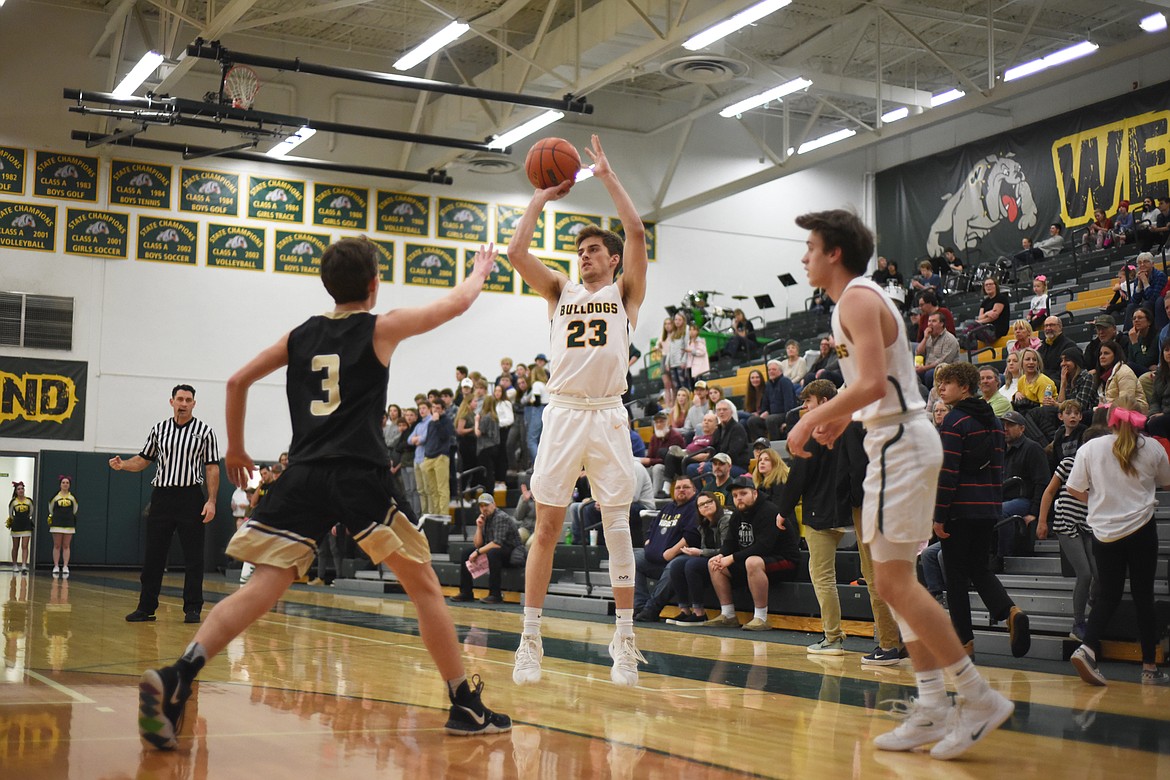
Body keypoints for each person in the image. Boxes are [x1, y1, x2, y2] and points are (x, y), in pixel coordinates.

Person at [136, 237, 510, 751]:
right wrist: (479, 269)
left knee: (263, 585)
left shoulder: (300, 335)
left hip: (305, 473)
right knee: (423, 584)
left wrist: (238, 450)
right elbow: (457, 303)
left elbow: (236, 380)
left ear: (326, 285)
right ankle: (464, 703)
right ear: (374, 285)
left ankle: (181, 672)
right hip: (359, 474)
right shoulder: (379, 327)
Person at [786, 209, 1013, 760]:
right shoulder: (858, 301)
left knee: (894, 583)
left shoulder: (857, 300)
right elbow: (877, 382)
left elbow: (867, 383)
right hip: (889, 438)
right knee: (893, 580)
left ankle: (976, 697)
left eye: (811, 248)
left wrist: (811, 418)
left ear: (834, 252)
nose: (804, 257)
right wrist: (842, 418)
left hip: (902, 443)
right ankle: (934, 704)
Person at [506, 135, 649, 687]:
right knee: (547, 524)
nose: (585, 255)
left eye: (594, 249)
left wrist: (607, 176)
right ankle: (530, 639)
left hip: (609, 412)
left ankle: (625, 636)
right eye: (581, 249)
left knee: (617, 523)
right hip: (563, 412)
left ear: (612, 260)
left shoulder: (626, 294)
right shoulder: (560, 290)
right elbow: (518, 254)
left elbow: (635, 231)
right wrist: (541, 196)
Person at [1066, 402, 1170, 686]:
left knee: (1108, 596)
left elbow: (1073, 488)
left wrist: (1101, 500)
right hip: (1141, 529)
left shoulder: (1089, 448)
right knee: (1143, 597)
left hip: (1104, 533)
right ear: (1139, 421)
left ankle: (1086, 648)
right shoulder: (1152, 447)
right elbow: (1167, 483)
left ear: (1109, 420)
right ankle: (1149, 668)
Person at [933, 363, 1031, 659]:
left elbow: (947, 473)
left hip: (959, 511)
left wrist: (938, 516)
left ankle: (964, 643)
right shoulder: (993, 421)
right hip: (989, 508)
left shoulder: (954, 422)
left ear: (965, 387)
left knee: (956, 579)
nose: (941, 388)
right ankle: (1010, 611)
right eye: (939, 383)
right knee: (979, 568)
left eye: (947, 383)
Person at [111, 386, 219, 623]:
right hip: (162, 497)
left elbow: (212, 467)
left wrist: (211, 501)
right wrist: (123, 465)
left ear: (194, 404)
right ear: (171, 402)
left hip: (191, 496)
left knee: (194, 556)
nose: (183, 403)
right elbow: (143, 460)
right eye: (179, 399)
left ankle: (193, 608)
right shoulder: (159, 430)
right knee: (154, 556)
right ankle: (146, 607)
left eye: (188, 400)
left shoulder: (205, 432)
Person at [774, 381, 861, 656]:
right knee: (874, 576)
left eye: (808, 402)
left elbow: (800, 474)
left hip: (820, 513)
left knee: (823, 577)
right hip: (853, 510)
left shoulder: (817, 430)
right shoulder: (851, 426)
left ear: (824, 401)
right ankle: (888, 639)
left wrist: (783, 509)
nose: (805, 408)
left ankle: (833, 637)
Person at [701, 475, 799, 631]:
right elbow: (729, 543)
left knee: (752, 561)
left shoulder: (770, 511)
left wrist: (731, 558)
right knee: (714, 562)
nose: (739, 498)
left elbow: (763, 547)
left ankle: (761, 618)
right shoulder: (736, 515)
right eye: (734, 496)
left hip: (785, 561)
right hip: (753, 562)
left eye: (743, 494)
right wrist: (721, 556)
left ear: (755, 493)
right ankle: (728, 615)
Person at [1037, 425, 1102, 642]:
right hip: (1066, 522)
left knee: (1098, 573)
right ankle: (1078, 623)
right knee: (1084, 573)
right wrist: (1042, 521)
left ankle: (1092, 601)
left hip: (1087, 524)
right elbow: (1049, 492)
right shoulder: (1069, 463)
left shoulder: (1100, 470)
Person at [633, 475, 699, 621]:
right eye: (678, 487)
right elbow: (651, 529)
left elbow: (692, 536)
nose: (681, 490)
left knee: (674, 566)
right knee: (631, 558)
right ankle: (639, 606)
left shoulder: (695, 507)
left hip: (680, 556)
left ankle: (651, 609)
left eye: (686, 487)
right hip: (656, 555)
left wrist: (673, 551)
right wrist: (648, 542)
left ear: (694, 490)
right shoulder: (668, 507)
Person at [664, 490, 731, 625]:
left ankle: (699, 612)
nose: (705, 506)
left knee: (692, 565)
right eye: (701, 505)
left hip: (726, 559)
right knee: (677, 563)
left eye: (709, 502)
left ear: (716, 503)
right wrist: (697, 552)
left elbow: (725, 550)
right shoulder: (703, 524)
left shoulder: (726, 520)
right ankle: (684, 610)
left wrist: (699, 552)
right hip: (711, 558)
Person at [451, 493, 526, 604]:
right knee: (466, 553)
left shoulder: (501, 517)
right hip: (497, 551)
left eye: (486, 505)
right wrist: (479, 527)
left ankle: (495, 594)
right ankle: (466, 592)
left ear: (494, 505)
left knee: (492, 553)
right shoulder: (485, 518)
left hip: (512, 554)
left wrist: (477, 552)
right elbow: (478, 544)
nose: (484, 508)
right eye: (481, 506)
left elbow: (497, 543)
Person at [45, 476, 79, 579]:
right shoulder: (55, 497)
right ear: (60, 484)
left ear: (69, 485)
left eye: (67, 483)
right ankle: (56, 566)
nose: (65, 484)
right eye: (63, 482)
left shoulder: (72, 498)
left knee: (66, 545)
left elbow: (75, 510)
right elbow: (51, 509)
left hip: (68, 524)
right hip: (57, 523)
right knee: (57, 545)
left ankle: (65, 566)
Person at [7, 482, 33, 574]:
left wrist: (25, 519)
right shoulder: (13, 502)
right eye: (19, 489)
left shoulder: (29, 501)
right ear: (16, 491)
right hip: (16, 525)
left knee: (25, 546)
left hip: (26, 524)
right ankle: (14, 565)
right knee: (15, 546)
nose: (21, 490)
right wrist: (15, 521)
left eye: (22, 488)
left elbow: (31, 512)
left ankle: (24, 565)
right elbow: (10, 514)